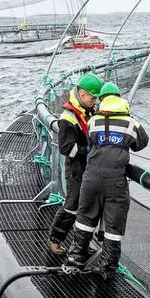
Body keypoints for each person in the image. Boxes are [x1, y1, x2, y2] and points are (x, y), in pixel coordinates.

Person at [66, 91, 149, 278]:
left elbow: (91, 141)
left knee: (85, 217)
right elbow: (141, 143)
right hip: (116, 181)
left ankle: (76, 257)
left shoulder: (93, 121)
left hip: (91, 177)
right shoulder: (131, 123)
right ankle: (107, 268)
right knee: (114, 224)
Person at [47, 73, 103, 255]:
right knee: (72, 204)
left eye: (96, 98)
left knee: (87, 205)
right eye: (92, 97)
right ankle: (55, 239)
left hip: (89, 168)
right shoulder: (68, 117)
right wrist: (89, 150)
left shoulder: (90, 111)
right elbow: (66, 148)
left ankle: (82, 244)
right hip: (76, 169)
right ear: (82, 93)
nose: (94, 101)